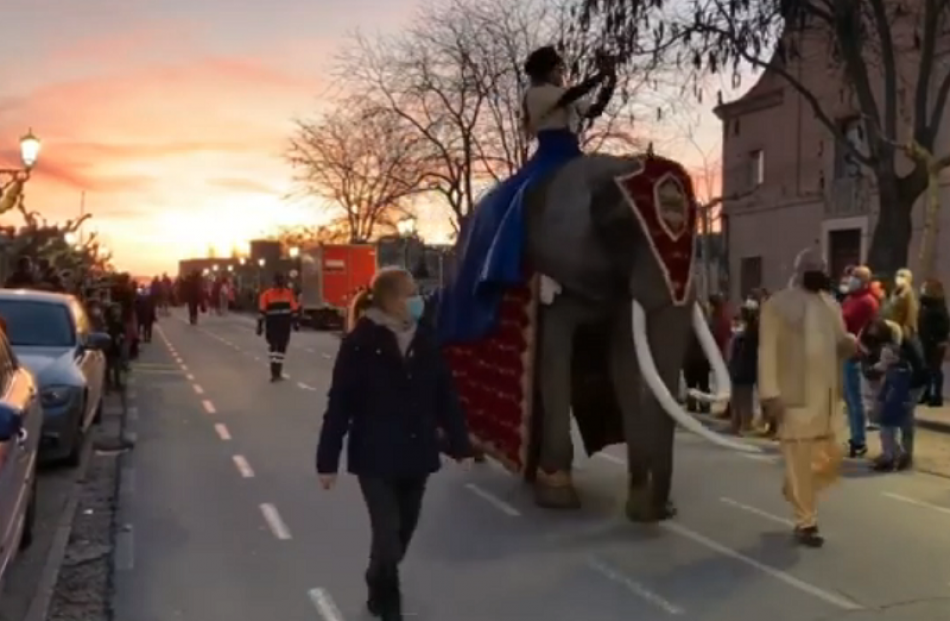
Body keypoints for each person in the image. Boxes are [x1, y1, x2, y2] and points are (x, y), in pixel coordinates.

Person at [316, 267, 473, 621]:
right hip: (374, 456)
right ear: (390, 300)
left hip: (416, 453)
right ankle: (388, 602)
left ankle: (377, 574)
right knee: (386, 532)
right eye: (410, 293)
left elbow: (445, 395)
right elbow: (339, 404)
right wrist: (327, 461)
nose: (418, 299)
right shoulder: (359, 344)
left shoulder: (427, 340)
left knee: (403, 531)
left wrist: (461, 444)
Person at [438, 46, 617, 342]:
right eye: (558, 69)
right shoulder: (538, 93)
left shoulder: (561, 95)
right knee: (517, 199)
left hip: (573, 154)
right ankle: (507, 258)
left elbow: (594, 109)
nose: (562, 74)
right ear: (546, 71)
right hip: (550, 154)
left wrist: (610, 81)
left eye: (563, 70)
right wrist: (600, 74)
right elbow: (570, 96)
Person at [758, 249, 856, 547]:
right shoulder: (778, 305)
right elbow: (768, 351)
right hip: (794, 398)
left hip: (825, 399)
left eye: (821, 266)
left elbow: (841, 341)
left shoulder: (830, 304)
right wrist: (770, 393)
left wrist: (850, 344)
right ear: (800, 270)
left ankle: (794, 489)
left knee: (825, 461)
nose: (817, 270)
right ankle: (806, 522)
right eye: (812, 267)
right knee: (800, 461)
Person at [859, 319, 926, 471]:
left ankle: (903, 455)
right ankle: (891, 454)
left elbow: (918, 369)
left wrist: (905, 396)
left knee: (904, 418)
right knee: (888, 418)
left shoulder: (905, 343)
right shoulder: (869, 339)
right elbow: (869, 367)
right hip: (894, 380)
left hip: (912, 383)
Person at [840, 265, 879, 457]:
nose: (851, 279)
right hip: (844, 351)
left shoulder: (867, 301)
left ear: (865, 281)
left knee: (855, 399)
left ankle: (859, 440)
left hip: (855, 353)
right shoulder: (850, 298)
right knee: (848, 398)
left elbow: (849, 321)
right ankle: (854, 436)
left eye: (856, 277)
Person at [257, 272, 299, 382]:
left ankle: (276, 371)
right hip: (278, 324)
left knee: (278, 348)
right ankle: (275, 371)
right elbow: (294, 310)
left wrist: (260, 326)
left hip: (278, 324)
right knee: (277, 347)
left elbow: (294, 310)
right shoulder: (272, 295)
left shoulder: (268, 295)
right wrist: (295, 323)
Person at [729, 298, 760, 435]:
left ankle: (743, 424)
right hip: (741, 368)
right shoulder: (747, 329)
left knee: (743, 397)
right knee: (739, 397)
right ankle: (737, 423)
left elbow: (748, 350)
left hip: (745, 368)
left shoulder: (753, 330)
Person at [918, 278, 949, 406]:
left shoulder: (938, 307)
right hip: (925, 340)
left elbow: (944, 326)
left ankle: (937, 396)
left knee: (935, 369)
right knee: (926, 369)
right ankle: (926, 393)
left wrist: (936, 339)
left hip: (936, 343)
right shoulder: (925, 305)